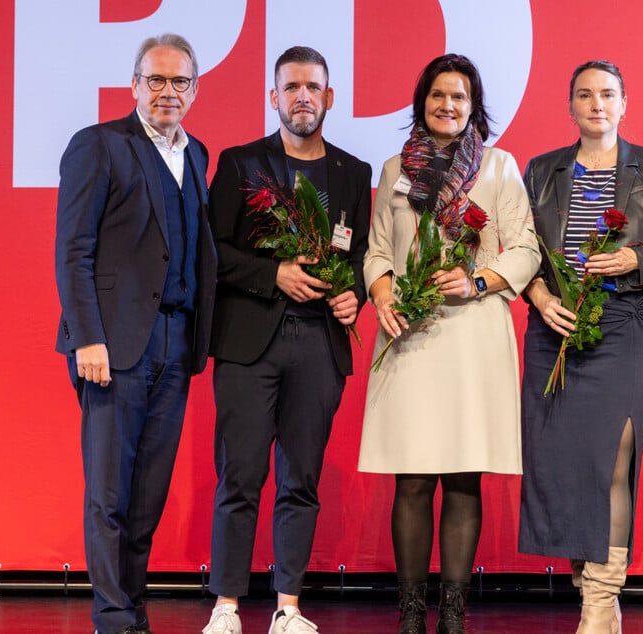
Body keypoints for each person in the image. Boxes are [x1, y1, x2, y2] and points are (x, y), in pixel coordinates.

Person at [358, 54, 541, 634]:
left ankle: (455, 611)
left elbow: (526, 248)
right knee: (411, 476)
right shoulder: (395, 169)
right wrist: (383, 292)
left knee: (463, 476)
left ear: (474, 105)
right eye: (438, 95)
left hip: (473, 336)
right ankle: (412, 609)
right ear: (422, 102)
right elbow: (377, 250)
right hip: (410, 334)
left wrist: (477, 279)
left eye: (459, 97)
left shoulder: (498, 166)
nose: (448, 106)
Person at [202, 46, 371, 634]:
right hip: (251, 344)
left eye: (314, 87)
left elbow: (360, 259)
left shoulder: (354, 173)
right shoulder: (239, 163)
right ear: (273, 98)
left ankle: (287, 608)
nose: (303, 96)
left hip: (321, 345)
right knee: (240, 475)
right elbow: (214, 252)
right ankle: (226, 606)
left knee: (302, 479)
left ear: (329, 98)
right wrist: (273, 274)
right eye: (291, 86)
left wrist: (356, 296)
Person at [518, 59, 643, 632]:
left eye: (608, 94)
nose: (597, 104)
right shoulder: (541, 171)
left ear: (624, 103)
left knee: (616, 459)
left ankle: (599, 599)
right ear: (570, 106)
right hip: (558, 326)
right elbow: (519, 249)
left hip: (628, 323)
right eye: (585, 95)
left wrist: (638, 257)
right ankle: (591, 584)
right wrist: (540, 298)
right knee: (564, 465)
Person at [54, 34, 216, 634]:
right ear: (135, 85)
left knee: (147, 494)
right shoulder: (99, 146)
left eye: (180, 82)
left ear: (195, 90)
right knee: (110, 493)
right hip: (114, 348)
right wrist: (86, 337)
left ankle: (133, 606)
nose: (167, 91)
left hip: (176, 344)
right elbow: (73, 251)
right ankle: (113, 616)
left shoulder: (196, 153)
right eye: (157, 80)